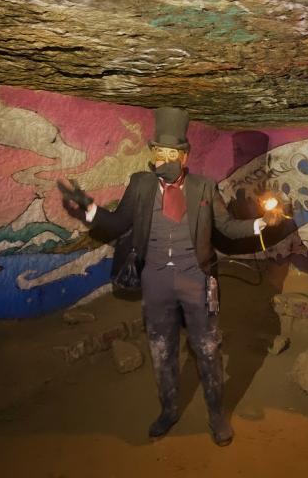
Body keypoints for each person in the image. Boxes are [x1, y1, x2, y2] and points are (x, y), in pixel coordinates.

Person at [60, 107, 268, 446]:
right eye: (160, 153)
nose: (165, 159)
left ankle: (216, 416)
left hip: (195, 278)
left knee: (207, 348)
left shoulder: (203, 187)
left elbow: (227, 226)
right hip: (155, 281)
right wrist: (89, 208)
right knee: (161, 348)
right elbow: (118, 223)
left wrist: (256, 225)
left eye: (172, 153)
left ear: (184, 157)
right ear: (153, 157)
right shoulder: (140, 185)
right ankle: (169, 410)